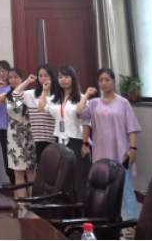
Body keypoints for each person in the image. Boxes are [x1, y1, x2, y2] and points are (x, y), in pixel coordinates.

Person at [79, 69, 142, 226]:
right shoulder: (93, 104)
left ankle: (132, 225)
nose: (104, 83)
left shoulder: (123, 103)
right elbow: (79, 112)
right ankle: (108, 224)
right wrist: (86, 95)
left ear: (113, 82)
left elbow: (131, 127)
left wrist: (133, 148)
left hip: (121, 153)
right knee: (105, 192)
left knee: (126, 190)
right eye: (100, 80)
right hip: (101, 154)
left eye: (107, 79)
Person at [38, 65, 94, 203]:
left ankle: (81, 208)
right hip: (59, 140)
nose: (62, 80)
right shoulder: (56, 98)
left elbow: (85, 120)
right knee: (62, 177)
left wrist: (85, 143)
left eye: (66, 77)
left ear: (73, 79)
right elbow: (41, 107)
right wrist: (45, 90)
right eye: (60, 77)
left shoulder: (81, 97)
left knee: (79, 178)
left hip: (76, 140)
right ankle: (65, 208)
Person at [0, 68, 37, 197]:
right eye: (10, 78)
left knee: (30, 172)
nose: (13, 80)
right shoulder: (7, 96)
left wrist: (27, 82)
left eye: (16, 77)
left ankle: (33, 202)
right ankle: (22, 204)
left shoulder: (29, 94)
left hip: (29, 135)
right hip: (13, 135)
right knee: (17, 172)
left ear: (22, 78)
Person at [12, 64, 57, 165]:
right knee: (41, 165)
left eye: (46, 75)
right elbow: (15, 93)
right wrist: (28, 81)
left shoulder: (57, 95)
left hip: (53, 136)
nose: (43, 78)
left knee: (54, 164)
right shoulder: (32, 94)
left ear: (51, 77)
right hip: (37, 137)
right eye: (40, 76)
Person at [0, 60, 14, 185]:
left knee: (16, 160)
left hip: (14, 128)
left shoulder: (13, 88)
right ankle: (14, 185)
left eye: (4, 70)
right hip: (2, 128)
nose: (1, 73)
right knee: (7, 161)